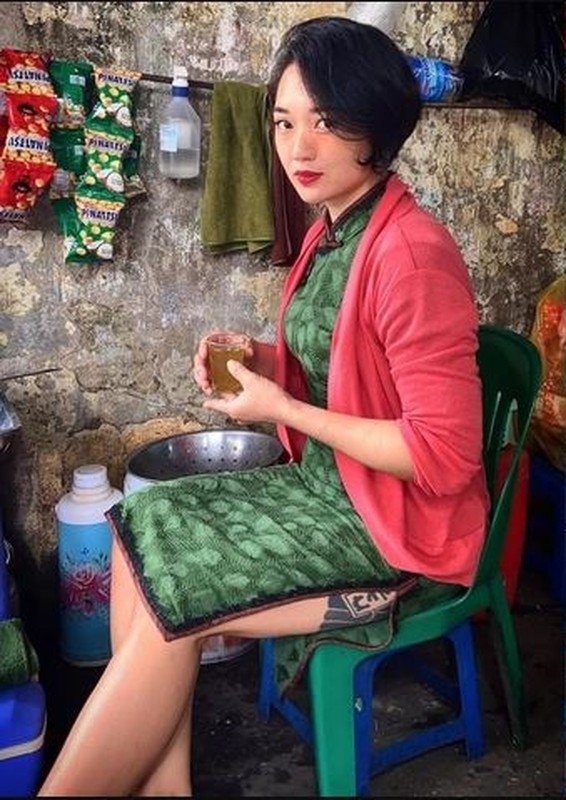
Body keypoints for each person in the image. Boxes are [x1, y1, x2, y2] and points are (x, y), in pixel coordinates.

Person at [39, 16, 489, 797]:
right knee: (135, 526)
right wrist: (260, 358)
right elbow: (340, 361)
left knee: (178, 598)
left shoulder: (412, 253)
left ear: (377, 127)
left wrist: (285, 408)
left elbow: (443, 458)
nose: (299, 147)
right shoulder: (336, 231)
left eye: (328, 121)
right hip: (332, 490)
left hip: (398, 535)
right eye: (284, 122)